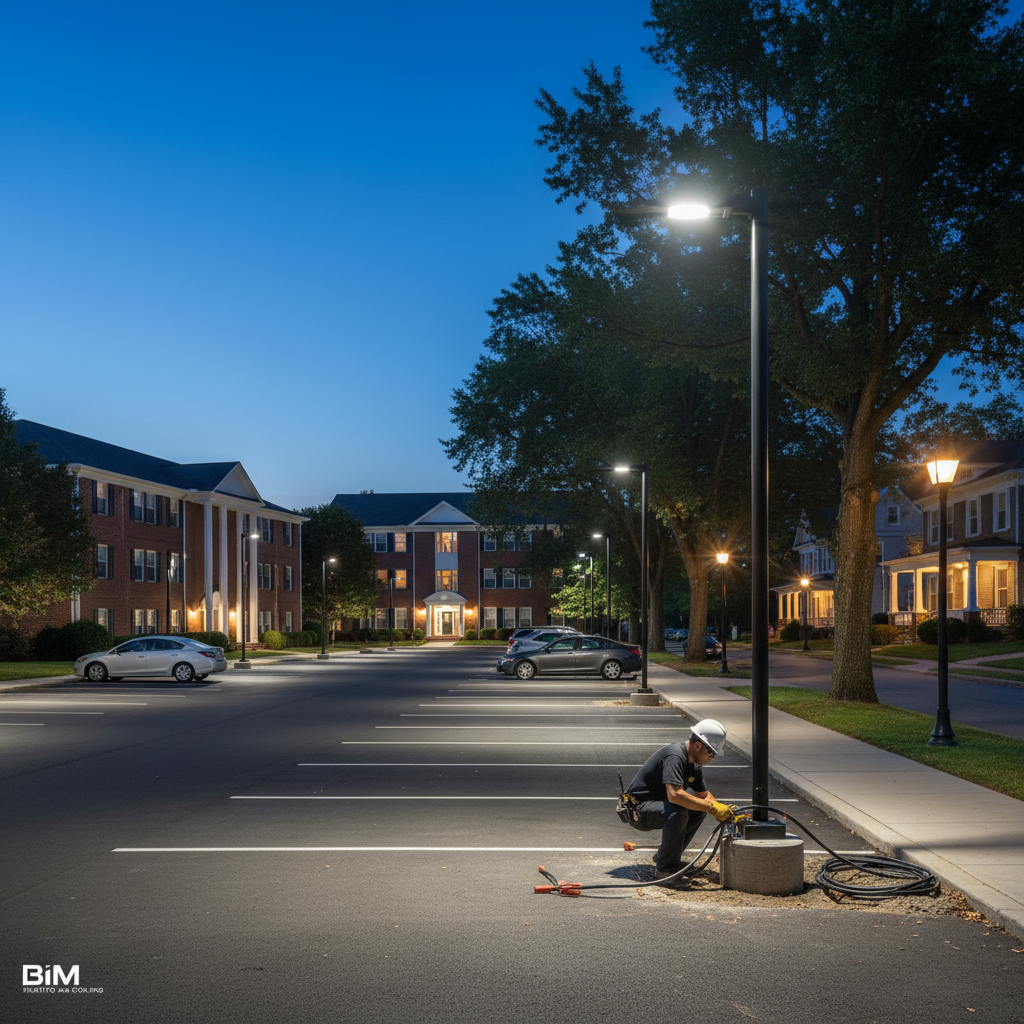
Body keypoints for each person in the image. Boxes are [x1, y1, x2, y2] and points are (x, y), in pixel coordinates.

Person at [620, 719, 735, 884]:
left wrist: (720, 808)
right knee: (678, 811)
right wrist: (711, 807)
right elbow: (675, 795)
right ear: (698, 746)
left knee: (697, 809)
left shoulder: (693, 765)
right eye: (711, 752)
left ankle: (666, 857)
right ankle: (664, 871)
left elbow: (704, 796)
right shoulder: (675, 756)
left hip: (657, 807)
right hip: (637, 810)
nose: (712, 757)